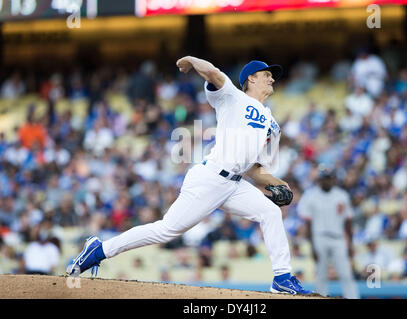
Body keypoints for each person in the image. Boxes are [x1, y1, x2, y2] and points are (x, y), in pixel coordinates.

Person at [67, 57, 311, 295]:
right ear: (251, 78)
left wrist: (280, 184)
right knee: (166, 230)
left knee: (270, 212)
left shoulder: (270, 121)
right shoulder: (233, 97)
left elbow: (254, 169)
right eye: (267, 74)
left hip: (235, 184)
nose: (272, 79)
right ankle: (100, 249)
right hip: (211, 178)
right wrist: (192, 60)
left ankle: (281, 277)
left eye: (272, 76)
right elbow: (213, 73)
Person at [298, 165, 360, 299]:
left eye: (329, 178)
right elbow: (308, 223)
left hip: (338, 238)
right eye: (324, 178)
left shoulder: (342, 195)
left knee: (346, 274)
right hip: (319, 237)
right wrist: (312, 246)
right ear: (319, 180)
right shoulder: (311, 195)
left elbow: (348, 222)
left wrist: (351, 244)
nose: (327, 181)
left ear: (334, 179)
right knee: (321, 274)